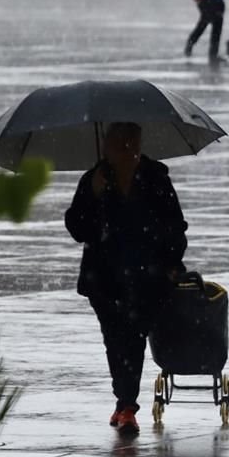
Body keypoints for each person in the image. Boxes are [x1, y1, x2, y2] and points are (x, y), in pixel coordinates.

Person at [64, 123, 188, 436]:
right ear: (106, 145)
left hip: (147, 279)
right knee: (114, 339)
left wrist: (172, 263)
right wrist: (93, 193)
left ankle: (126, 404)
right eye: (118, 142)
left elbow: (175, 226)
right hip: (104, 278)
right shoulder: (95, 178)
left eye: (130, 142)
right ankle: (124, 401)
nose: (124, 148)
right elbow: (78, 228)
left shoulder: (155, 178)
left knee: (133, 340)